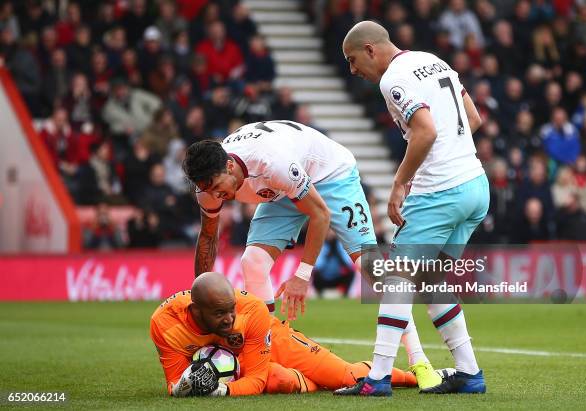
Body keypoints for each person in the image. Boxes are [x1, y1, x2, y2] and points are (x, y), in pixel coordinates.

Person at [338, 21, 488, 395]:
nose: (353, 70)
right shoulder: (432, 61)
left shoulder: (394, 79)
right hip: (476, 186)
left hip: (440, 193)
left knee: (396, 279)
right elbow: (473, 119)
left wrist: (399, 183)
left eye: (353, 60)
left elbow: (425, 131)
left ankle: (377, 379)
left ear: (371, 49)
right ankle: (469, 373)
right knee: (429, 280)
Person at [182, 120, 378, 321]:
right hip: (282, 189)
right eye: (208, 189)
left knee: (369, 264)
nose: (215, 194)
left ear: (230, 166)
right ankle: (265, 343)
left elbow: (320, 214)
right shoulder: (207, 188)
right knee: (253, 262)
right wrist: (201, 297)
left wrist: (302, 276)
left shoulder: (272, 163)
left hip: (328, 173)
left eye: (216, 186)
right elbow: (208, 237)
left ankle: (411, 349)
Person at [150, 272, 417, 396]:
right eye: (220, 314)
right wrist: (187, 386)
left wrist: (219, 391)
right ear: (196, 311)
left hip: (274, 341)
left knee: (345, 377)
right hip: (236, 363)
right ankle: (307, 382)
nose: (230, 318)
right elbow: (174, 384)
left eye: (231, 309)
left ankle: (411, 377)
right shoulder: (165, 325)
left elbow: (254, 381)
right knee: (277, 379)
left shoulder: (251, 309)